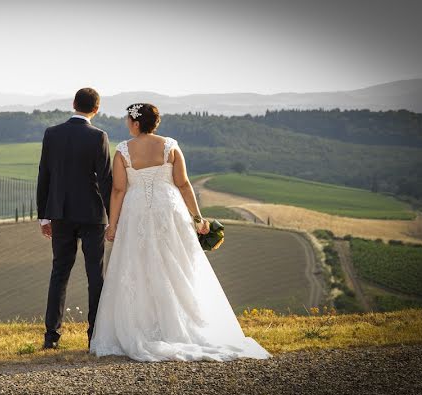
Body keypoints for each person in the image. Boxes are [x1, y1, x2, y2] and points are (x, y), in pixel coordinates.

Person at [88, 103, 271, 361]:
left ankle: (146, 325)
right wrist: (198, 218)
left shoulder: (123, 151)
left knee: (138, 266)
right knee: (178, 264)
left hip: (137, 210)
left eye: (128, 120)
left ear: (137, 123)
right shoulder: (170, 146)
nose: (127, 124)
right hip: (169, 209)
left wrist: (113, 224)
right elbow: (183, 184)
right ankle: (183, 324)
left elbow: (118, 190)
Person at [36, 87, 112, 349]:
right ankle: (95, 335)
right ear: (96, 109)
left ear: (73, 104)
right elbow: (105, 180)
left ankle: (51, 337)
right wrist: (113, 217)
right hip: (92, 214)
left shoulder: (52, 134)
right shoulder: (99, 136)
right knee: (95, 275)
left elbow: (43, 175)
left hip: (60, 214)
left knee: (59, 272)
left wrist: (43, 217)